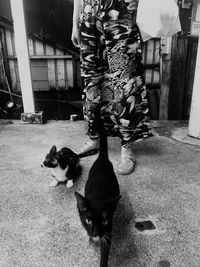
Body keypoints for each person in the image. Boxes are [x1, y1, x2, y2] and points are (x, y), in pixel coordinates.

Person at [71, 0, 153, 175]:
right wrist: (74, 24)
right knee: (92, 79)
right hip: (88, 14)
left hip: (121, 11)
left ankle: (127, 146)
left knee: (124, 81)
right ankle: (94, 137)